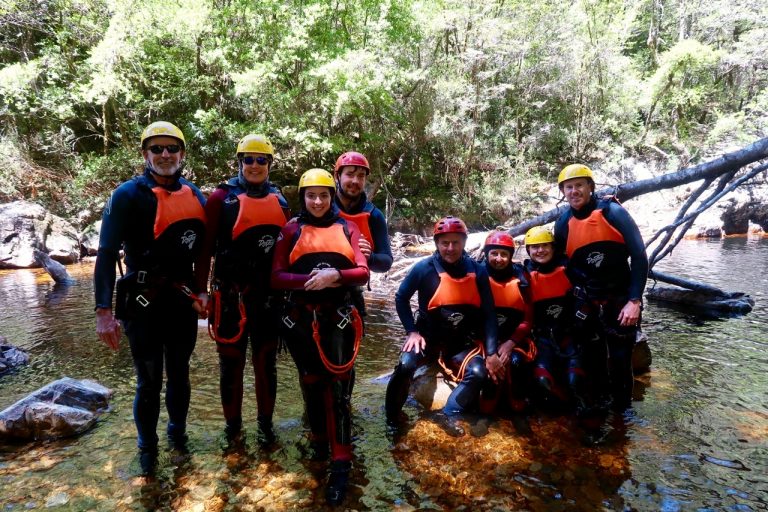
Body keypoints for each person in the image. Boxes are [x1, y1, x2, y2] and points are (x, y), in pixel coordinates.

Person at [94, 121, 206, 475]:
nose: (165, 155)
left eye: (171, 148)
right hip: (142, 301)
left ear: (182, 154)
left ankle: (178, 438)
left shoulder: (195, 195)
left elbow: (204, 249)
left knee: (180, 373)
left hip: (181, 301)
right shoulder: (127, 194)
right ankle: (147, 450)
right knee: (149, 379)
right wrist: (103, 312)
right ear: (145, 154)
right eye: (156, 149)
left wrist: (204, 291)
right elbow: (106, 252)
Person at [270, 168, 369, 506]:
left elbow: (362, 271)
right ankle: (317, 443)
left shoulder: (348, 227)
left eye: (323, 195)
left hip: (339, 316)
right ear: (303, 197)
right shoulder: (291, 229)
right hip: (301, 319)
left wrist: (335, 276)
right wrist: (311, 281)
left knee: (339, 388)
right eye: (311, 195)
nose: (317, 201)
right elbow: (278, 276)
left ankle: (341, 461)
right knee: (311, 381)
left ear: (331, 197)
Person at [195, 134, 290, 443]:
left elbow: (288, 252)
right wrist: (202, 292)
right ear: (239, 162)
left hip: (268, 298)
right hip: (230, 296)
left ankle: (265, 427)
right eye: (248, 159)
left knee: (266, 363)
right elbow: (205, 250)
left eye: (261, 159)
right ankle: (233, 430)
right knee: (230, 365)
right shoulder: (220, 199)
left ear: (269, 164)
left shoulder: (280, 200)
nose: (254, 165)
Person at [385, 216, 501, 434]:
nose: (450, 248)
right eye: (445, 242)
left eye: (456, 242)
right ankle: (392, 419)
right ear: (437, 243)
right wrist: (411, 331)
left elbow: (489, 314)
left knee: (478, 372)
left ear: (464, 242)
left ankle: (447, 413)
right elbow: (401, 298)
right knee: (405, 366)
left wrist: (492, 353)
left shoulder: (478, 271)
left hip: (459, 344)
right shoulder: (423, 268)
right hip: (427, 339)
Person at [553, 164, 648, 411]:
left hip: (620, 298)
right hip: (588, 300)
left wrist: (634, 301)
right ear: (563, 191)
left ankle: (622, 416)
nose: (574, 191)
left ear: (590, 187)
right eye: (568, 187)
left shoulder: (613, 212)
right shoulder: (563, 223)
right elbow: (564, 263)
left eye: (579, 185)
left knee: (619, 359)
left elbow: (639, 256)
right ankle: (597, 409)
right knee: (592, 358)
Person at [523, 226, 588, 413]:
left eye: (545, 246)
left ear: (553, 247)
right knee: (543, 382)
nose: (540, 250)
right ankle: (562, 411)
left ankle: (584, 415)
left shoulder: (568, 269)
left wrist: (580, 323)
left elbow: (586, 298)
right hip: (542, 339)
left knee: (575, 382)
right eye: (535, 247)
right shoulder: (524, 275)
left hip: (570, 336)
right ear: (528, 250)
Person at [479, 231, 536, 415]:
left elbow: (528, 319)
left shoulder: (521, 278)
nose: (499, 258)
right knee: (487, 368)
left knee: (516, 362)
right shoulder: (476, 275)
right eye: (494, 253)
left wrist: (510, 343)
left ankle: (518, 409)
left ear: (511, 256)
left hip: (513, 337)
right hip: (483, 340)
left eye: (504, 254)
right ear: (486, 254)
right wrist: (491, 350)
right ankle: (486, 412)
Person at [333, 151, 393, 317]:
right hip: (317, 289)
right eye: (350, 174)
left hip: (351, 294)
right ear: (337, 176)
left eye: (361, 176)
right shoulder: (322, 208)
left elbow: (386, 261)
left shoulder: (373, 215)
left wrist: (369, 257)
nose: (355, 181)